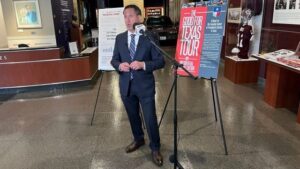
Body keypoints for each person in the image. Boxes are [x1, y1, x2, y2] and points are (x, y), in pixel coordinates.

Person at [110, 4, 165, 167]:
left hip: (145, 86)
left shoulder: (149, 36)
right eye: (125, 16)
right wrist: (119, 66)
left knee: (150, 118)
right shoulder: (120, 38)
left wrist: (143, 64)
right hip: (126, 85)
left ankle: (155, 148)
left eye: (131, 16)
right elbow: (114, 59)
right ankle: (138, 139)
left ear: (139, 17)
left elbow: (160, 61)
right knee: (133, 116)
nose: (127, 20)